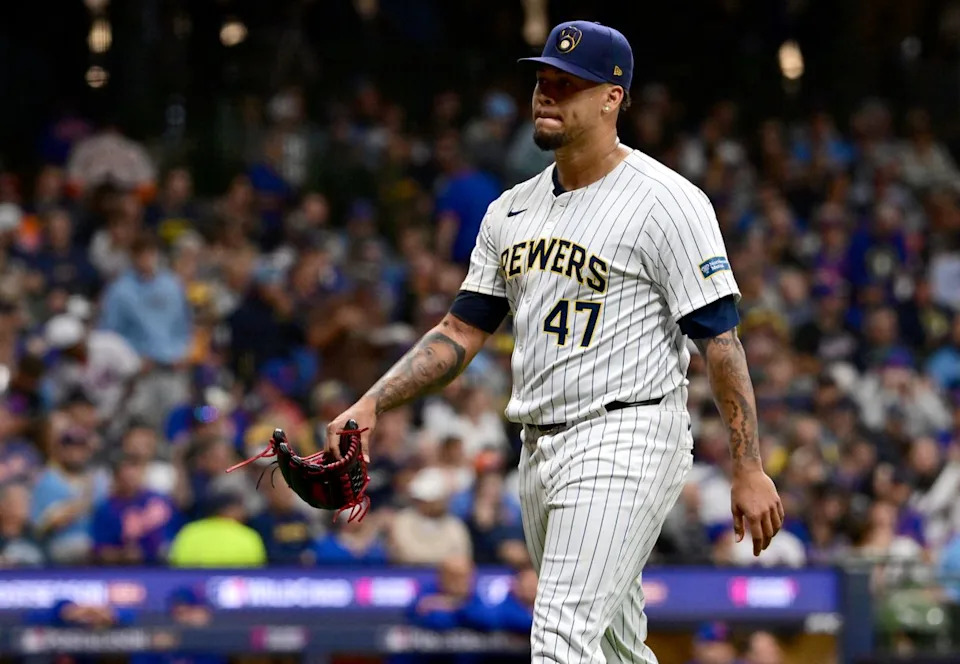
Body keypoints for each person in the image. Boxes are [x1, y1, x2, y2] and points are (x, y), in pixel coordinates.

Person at [325, 20, 782, 664]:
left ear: (612, 98)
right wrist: (373, 400)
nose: (547, 94)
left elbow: (721, 342)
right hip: (539, 444)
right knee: (615, 646)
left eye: (567, 84)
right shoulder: (511, 209)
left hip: (627, 433)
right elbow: (460, 331)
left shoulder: (668, 202)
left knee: (560, 635)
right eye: (543, 80)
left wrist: (747, 465)